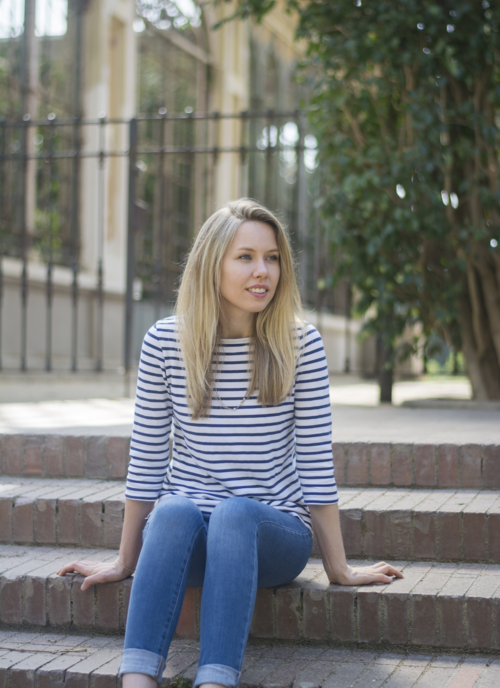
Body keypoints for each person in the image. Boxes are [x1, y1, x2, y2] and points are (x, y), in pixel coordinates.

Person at [57, 199, 402, 688]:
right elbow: (147, 459)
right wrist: (125, 560)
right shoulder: (165, 343)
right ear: (211, 264)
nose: (263, 271)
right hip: (189, 538)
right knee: (172, 511)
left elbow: (315, 461)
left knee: (235, 514)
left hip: (274, 536)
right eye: (245, 257)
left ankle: (215, 681)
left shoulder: (300, 344)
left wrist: (338, 567)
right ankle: (136, 680)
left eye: (272, 258)